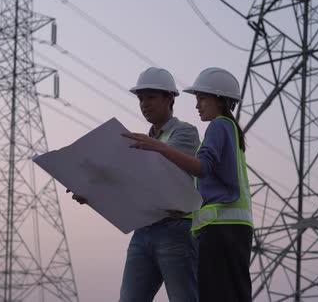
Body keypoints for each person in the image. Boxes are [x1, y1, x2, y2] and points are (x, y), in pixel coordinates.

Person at [68, 67, 201, 302]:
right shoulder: (138, 142)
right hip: (143, 230)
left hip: (176, 230)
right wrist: (91, 190)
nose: (144, 104)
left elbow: (159, 173)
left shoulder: (185, 132)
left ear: (170, 98)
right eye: (141, 98)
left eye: (150, 97)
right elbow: (132, 184)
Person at [122, 67, 253, 302]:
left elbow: (201, 168)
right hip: (212, 227)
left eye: (202, 98)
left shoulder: (203, 129)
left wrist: (160, 148)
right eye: (141, 98)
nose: (197, 106)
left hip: (207, 227)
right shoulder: (227, 128)